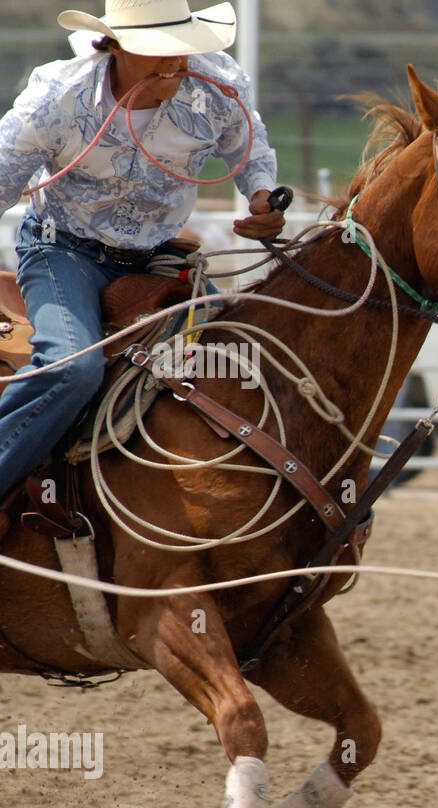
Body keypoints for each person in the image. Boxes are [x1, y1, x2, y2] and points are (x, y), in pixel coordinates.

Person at [0, 0, 283, 525]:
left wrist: (263, 197)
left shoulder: (218, 86)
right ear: (116, 46)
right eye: (160, 52)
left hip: (161, 256)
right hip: (65, 251)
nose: (176, 64)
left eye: (184, 50)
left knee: (241, 368)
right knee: (74, 367)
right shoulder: (58, 97)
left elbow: (252, 147)